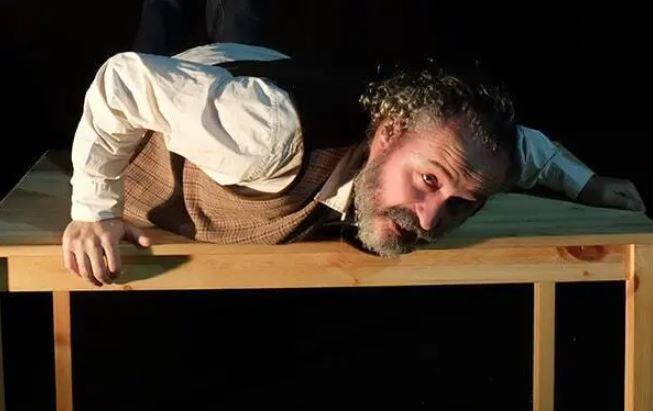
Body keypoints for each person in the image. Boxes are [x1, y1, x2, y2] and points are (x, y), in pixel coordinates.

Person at [62, 42, 646, 287]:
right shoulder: (263, 136)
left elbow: (519, 147)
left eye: (460, 205)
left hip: (276, 76)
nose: (430, 219)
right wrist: (94, 212)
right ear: (388, 135)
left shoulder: (460, 158)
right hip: (209, 88)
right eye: (428, 181)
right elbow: (123, 81)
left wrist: (589, 184)